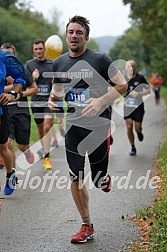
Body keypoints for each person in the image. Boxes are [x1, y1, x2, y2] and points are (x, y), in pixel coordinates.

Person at [48, 15, 127, 243]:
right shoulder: (59, 63)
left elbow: (122, 84)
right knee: (76, 177)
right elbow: (58, 92)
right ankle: (86, 225)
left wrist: (100, 101)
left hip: (99, 127)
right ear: (66, 36)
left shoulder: (101, 59)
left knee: (98, 180)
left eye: (79, 32)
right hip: (73, 127)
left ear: (86, 37)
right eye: (71, 32)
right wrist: (54, 102)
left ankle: (104, 178)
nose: (74, 36)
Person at [1, 43, 38, 167]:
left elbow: (34, 89)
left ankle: (26, 152)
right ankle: (12, 173)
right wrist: (11, 88)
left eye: (9, 55)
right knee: (8, 142)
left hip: (21, 111)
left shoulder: (20, 70)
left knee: (22, 146)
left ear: (14, 55)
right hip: (6, 112)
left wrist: (18, 94)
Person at [25, 39, 56, 172]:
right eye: (36, 49)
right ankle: (44, 150)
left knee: (47, 125)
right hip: (36, 101)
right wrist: (33, 78)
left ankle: (47, 157)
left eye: (40, 48)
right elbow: (24, 84)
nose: (38, 51)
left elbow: (58, 82)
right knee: (41, 129)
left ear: (45, 49)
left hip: (49, 101)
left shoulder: (52, 64)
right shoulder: (29, 65)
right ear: (33, 51)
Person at [0, 48, 26, 195]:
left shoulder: (4, 57)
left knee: (3, 148)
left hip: (1, 111)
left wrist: (12, 94)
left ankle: (10, 173)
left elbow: (21, 77)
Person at [124, 60, 151, 156]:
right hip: (127, 106)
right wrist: (117, 98)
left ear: (135, 67)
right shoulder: (123, 78)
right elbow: (117, 90)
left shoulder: (140, 78)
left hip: (138, 106)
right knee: (129, 126)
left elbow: (148, 90)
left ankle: (139, 133)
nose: (130, 68)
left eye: (132, 66)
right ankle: (132, 147)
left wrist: (138, 93)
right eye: (128, 66)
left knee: (137, 128)